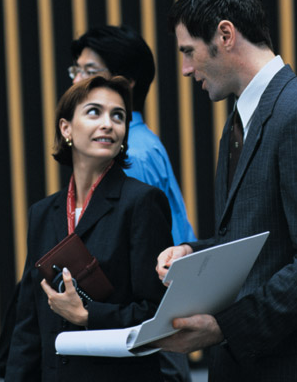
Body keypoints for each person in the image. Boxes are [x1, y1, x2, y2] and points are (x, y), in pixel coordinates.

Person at [155, 0, 297, 381]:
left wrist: (223, 327)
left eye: (188, 52)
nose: (184, 69)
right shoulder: (240, 120)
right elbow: (260, 241)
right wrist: (191, 252)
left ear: (225, 34)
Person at [5, 76, 173, 381]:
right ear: (66, 128)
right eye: (94, 112)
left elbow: (157, 312)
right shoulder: (43, 214)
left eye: (118, 115)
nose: (108, 123)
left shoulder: (142, 203)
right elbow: (28, 324)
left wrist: (87, 316)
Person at [70, 25, 195, 381]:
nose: (77, 81)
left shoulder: (130, 156)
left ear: (126, 83)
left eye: (89, 72)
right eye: (75, 71)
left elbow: (137, 268)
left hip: (147, 324)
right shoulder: (136, 143)